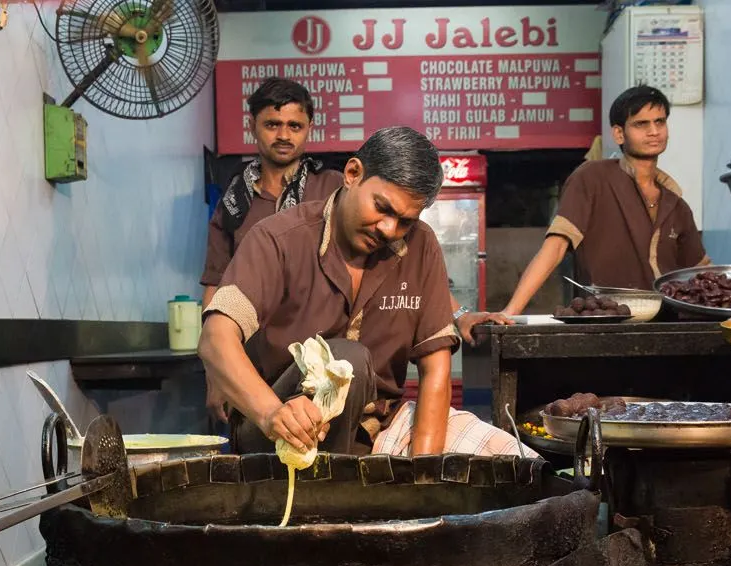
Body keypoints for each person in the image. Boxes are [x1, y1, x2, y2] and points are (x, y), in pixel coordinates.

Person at [198, 126, 522, 458]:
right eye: (382, 207)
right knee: (346, 361)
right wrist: (271, 413)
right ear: (353, 174)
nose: (389, 229)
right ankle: (332, 495)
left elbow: (435, 367)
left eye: (405, 221)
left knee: (515, 460)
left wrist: (424, 477)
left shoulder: (420, 245)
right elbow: (215, 339)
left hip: (378, 427)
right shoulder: (278, 239)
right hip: (280, 434)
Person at [201, 78, 345, 424]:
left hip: (321, 365)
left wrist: (457, 313)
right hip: (252, 368)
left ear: (309, 128)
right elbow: (215, 288)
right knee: (256, 470)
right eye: (272, 124)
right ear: (253, 127)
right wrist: (217, 373)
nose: (284, 135)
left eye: (294, 125)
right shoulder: (234, 204)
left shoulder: (333, 189)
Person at [500, 86, 711, 315]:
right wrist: (510, 311)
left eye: (659, 122)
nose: (654, 131)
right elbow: (556, 246)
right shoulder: (592, 178)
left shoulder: (677, 204)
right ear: (619, 134)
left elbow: (700, 274)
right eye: (641, 124)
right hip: (604, 321)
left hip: (666, 326)